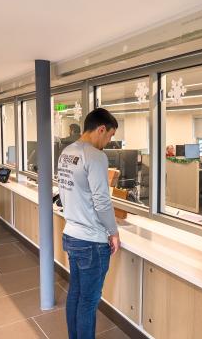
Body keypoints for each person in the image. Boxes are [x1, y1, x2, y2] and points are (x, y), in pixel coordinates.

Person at [57, 108, 120, 339]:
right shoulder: (95, 156)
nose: (109, 141)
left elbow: (64, 193)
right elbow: (102, 202)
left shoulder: (66, 152)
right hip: (91, 241)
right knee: (88, 301)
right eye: (110, 135)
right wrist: (113, 232)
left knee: (75, 292)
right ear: (101, 129)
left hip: (71, 235)